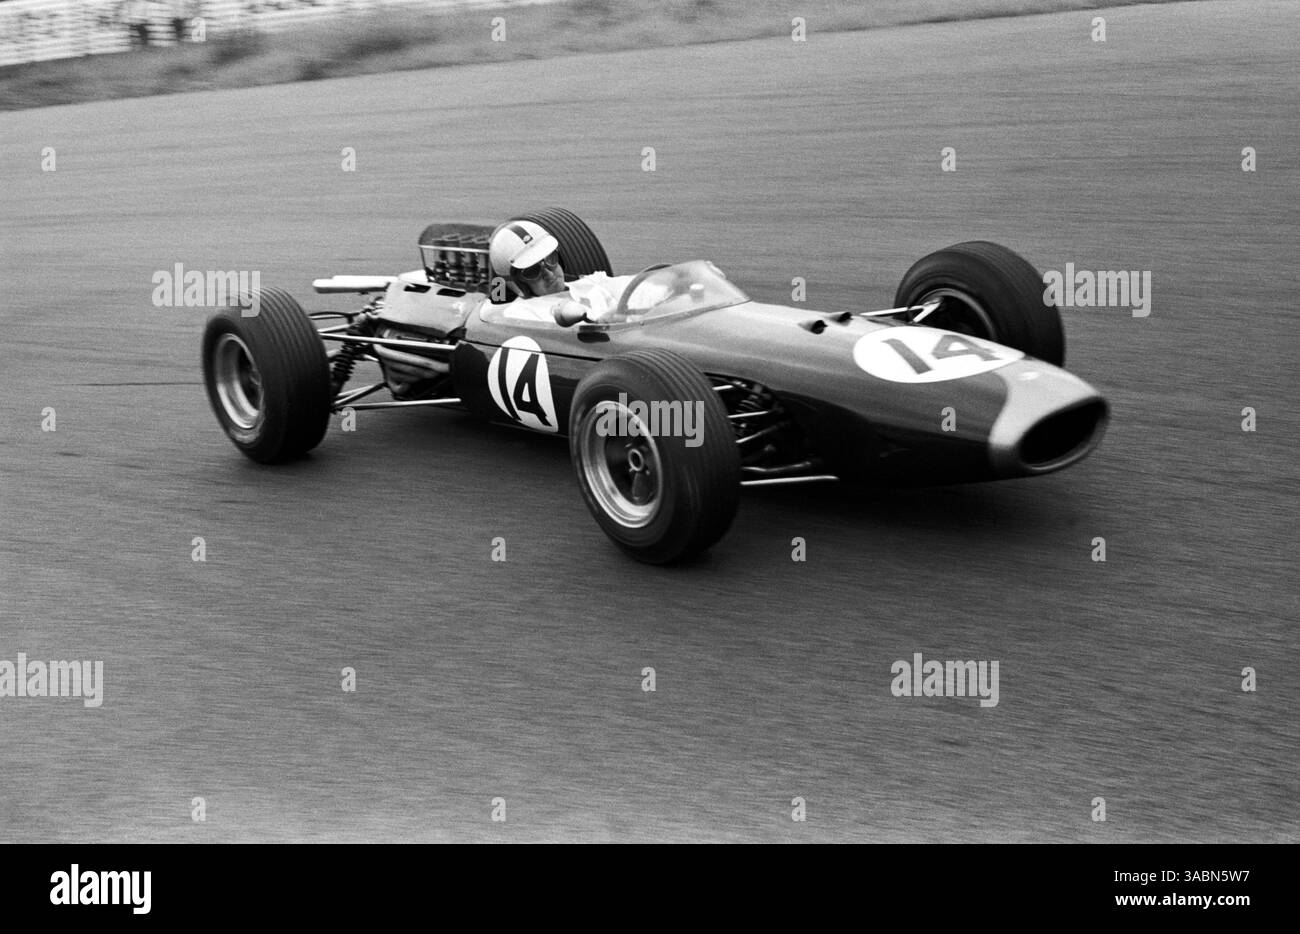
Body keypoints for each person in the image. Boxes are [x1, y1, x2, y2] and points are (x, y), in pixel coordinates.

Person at [487, 221, 567, 299]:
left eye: (550, 259)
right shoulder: (517, 311)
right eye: (533, 271)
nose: (549, 274)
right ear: (520, 284)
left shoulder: (577, 288)